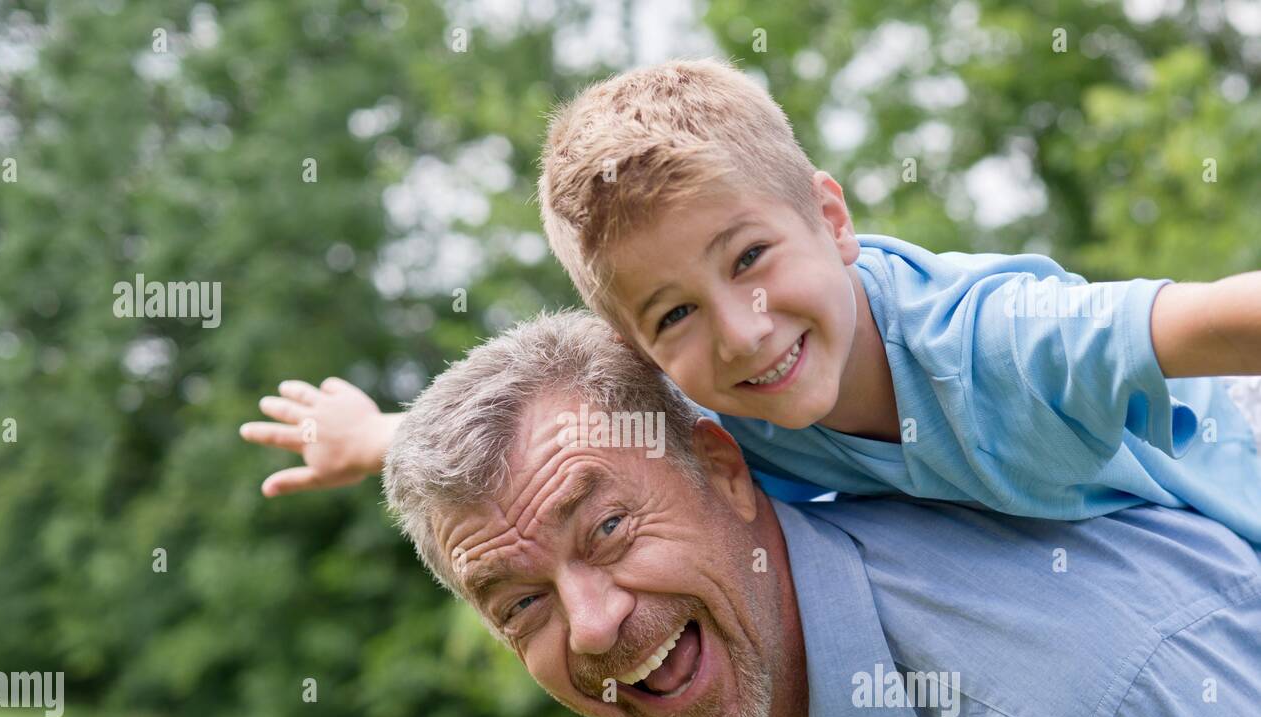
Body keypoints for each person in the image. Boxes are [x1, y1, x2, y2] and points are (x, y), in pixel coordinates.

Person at [241, 309, 1261, 717]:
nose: (593, 629)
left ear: (725, 472)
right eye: (520, 604)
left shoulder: (1096, 711)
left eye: (606, 528)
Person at [535, 57, 1261, 541]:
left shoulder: (993, 343)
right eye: (675, 314)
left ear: (833, 220)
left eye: (749, 257)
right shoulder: (722, 421)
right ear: (642, 350)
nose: (741, 333)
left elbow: (1217, 322)